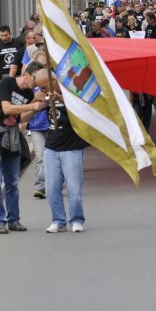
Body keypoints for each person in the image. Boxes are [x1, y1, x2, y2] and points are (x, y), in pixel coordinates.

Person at [0, 61, 47, 234]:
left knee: (13, 182)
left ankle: (14, 220)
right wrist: (32, 105)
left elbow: (21, 117)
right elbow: (7, 108)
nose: (37, 84)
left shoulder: (30, 93)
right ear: (27, 74)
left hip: (12, 134)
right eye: (36, 79)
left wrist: (37, 109)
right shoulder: (7, 83)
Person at [34, 70, 90, 233]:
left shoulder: (72, 89)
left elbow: (83, 106)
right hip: (51, 147)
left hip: (72, 147)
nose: (43, 91)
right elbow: (26, 116)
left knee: (74, 188)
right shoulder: (44, 95)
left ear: (53, 80)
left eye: (44, 87)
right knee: (51, 189)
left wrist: (59, 98)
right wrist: (35, 103)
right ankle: (58, 220)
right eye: (40, 89)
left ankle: (77, 220)